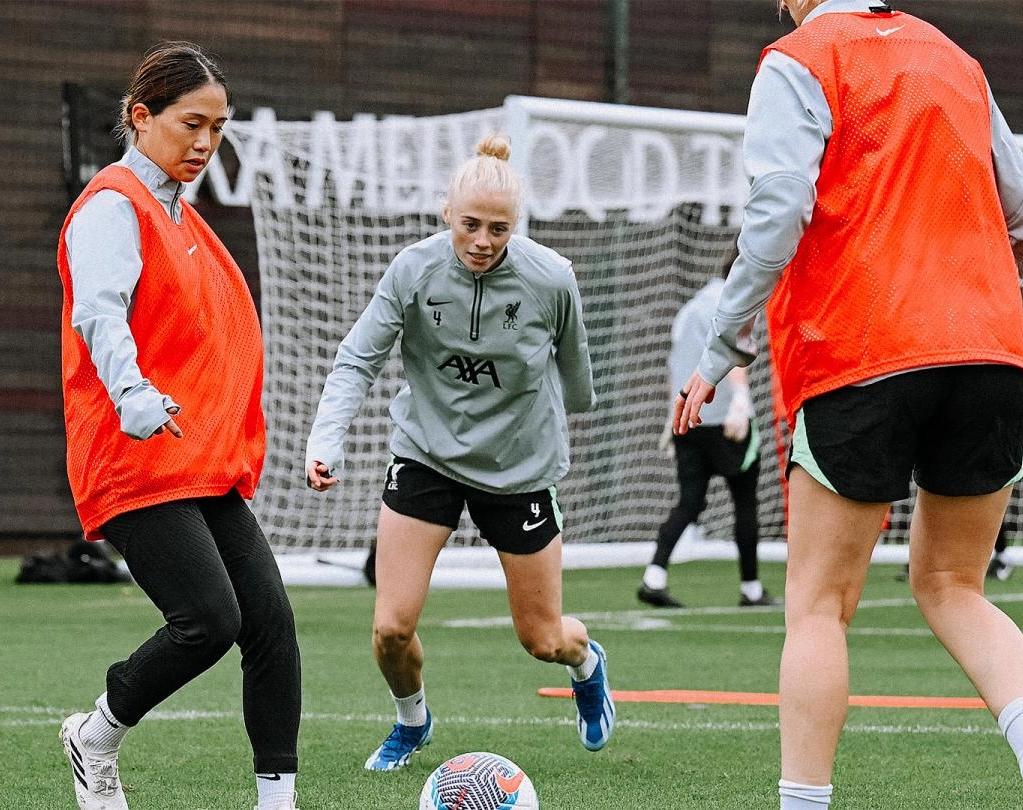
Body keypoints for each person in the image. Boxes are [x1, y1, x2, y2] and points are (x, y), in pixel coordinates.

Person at [674, 2, 1023, 808]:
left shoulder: (799, 57)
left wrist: (720, 349)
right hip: (989, 351)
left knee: (820, 606)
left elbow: (779, 209)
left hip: (862, 350)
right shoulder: (955, 59)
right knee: (954, 584)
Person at [305, 135, 615, 771]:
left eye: (498, 229)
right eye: (470, 224)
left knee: (542, 639)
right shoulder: (413, 272)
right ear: (446, 212)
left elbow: (579, 383)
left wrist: (539, 414)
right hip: (427, 457)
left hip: (519, 470)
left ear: (517, 226)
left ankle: (587, 664)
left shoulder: (552, 279)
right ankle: (412, 722)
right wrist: (324, 439)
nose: (482, 240)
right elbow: (358, 357)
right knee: (390, 628)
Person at [56, 41, 302, 810]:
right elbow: (99, 313)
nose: (204, 143)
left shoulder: (180, 215)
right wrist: (131, 392)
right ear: (141, 117)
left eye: (218, 129)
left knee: (270, 623)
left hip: (193, 456)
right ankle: (95, 733)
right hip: (131, 455)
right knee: (208, 620)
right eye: (191, 124)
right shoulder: (112, 205)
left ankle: (277, 800)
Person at [639, 246, 777, 609]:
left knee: (689, 501)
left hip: (688, 419)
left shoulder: (688, 310)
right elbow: (732, 350)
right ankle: (750, 589)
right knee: (745, 503)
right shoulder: (733, 302)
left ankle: (654, 576)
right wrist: (739, 402)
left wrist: (672, 420)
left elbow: (675, 365)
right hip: (724, 419)